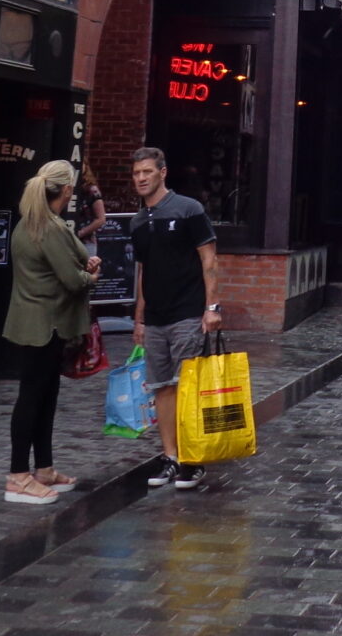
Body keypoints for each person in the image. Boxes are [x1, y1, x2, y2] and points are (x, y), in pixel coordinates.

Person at [2, 160, 101, 505]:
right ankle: (17, 476)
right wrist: (91, 276)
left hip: (36, 324)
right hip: (45, 325)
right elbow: (73, 280)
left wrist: (81, 267)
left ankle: (43, 468)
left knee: (44, 397)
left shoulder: (30, 224)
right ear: (68, 191)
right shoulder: (49, 228)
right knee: (32, 399)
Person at [129, 146, 224, 492]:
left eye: (147, 172)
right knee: (162, 389)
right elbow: (143, 270)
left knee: (187, 387)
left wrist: (212, 307)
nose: (141, 178)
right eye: (137, 173)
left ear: (162, 172)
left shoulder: (188, 209)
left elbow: (208, 259)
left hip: (187, 312)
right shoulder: (139, 221)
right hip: (155, 317)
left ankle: (191, 458)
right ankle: (170, 456)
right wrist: (138, 317)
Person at [75, 162, 108, 242]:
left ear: (86, 167)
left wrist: (81, 233)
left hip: (86, 241)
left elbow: (101, 219)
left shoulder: (92, 190)